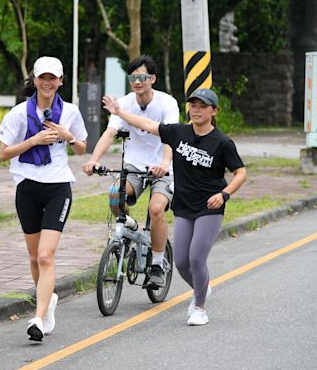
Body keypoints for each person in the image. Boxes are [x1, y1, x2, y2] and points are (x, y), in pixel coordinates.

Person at [102, 88, 247, 326]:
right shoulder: (179, 132)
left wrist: (224, 194)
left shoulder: (222, 142)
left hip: (209, 206)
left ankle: (200, 307)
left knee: (196, 258)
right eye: (193, 105)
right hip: (184, 205)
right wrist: (120, 112)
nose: (197, 110)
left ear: (214, 110)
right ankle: (202, 288)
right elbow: (148, 124)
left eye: (203, 106)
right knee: (180, 262)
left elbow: (241, 173)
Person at [0, 56, 88, 342]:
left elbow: (82, 149)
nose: (47, 83)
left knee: (46, 255)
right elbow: (3, 153)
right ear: (34, 80)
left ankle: (38, 316)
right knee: (35, 257)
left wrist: (67, 136)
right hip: (27, 187)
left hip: (59, 187)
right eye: (42, 78)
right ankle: (48, 305)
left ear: (61, 81)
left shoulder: (70, 112)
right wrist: (33, 141)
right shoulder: (19, 114)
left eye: (53, 78)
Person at [83, 55, 179, 288]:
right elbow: (110, 133)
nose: (137, 82)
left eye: (142, 77)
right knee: (115, 195)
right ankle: (134, 228)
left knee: (156, 209)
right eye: (133, 77)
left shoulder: (167, 103)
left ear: (152, 79)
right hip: (134, 167)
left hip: (162, 168)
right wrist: (93, 160)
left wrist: (165, 164)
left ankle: (157, 264)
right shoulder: (124, 103)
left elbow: (169, 136)